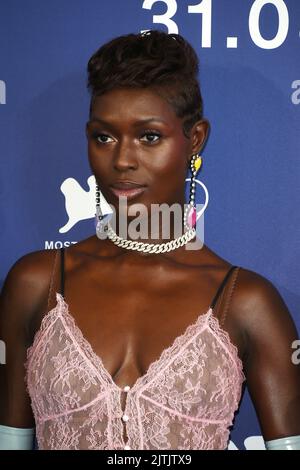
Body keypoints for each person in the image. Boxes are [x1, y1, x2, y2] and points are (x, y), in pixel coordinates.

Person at [0, 30, 299, 451]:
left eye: (149, 137)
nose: (122, 159)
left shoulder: (247, 302)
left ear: (195, 139)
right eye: (104, 137)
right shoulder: (35, 283)